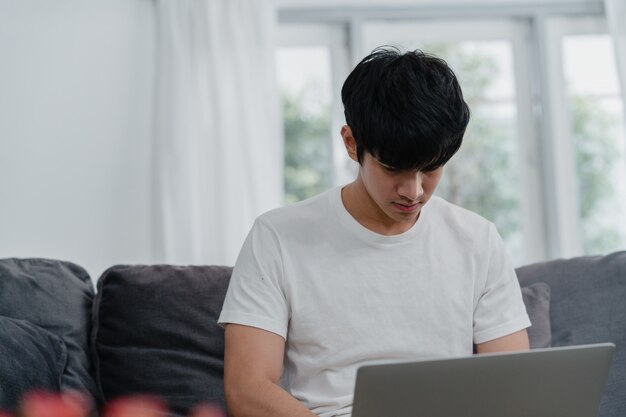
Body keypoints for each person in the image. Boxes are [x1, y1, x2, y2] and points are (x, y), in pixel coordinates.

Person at [217, 47, 531, 417]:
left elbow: (515, 387)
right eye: (394, 168)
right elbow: (247, 389)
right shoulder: (276, 237)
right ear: (352, 143)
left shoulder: (478, 239)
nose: (413, 191)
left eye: (431, 168)